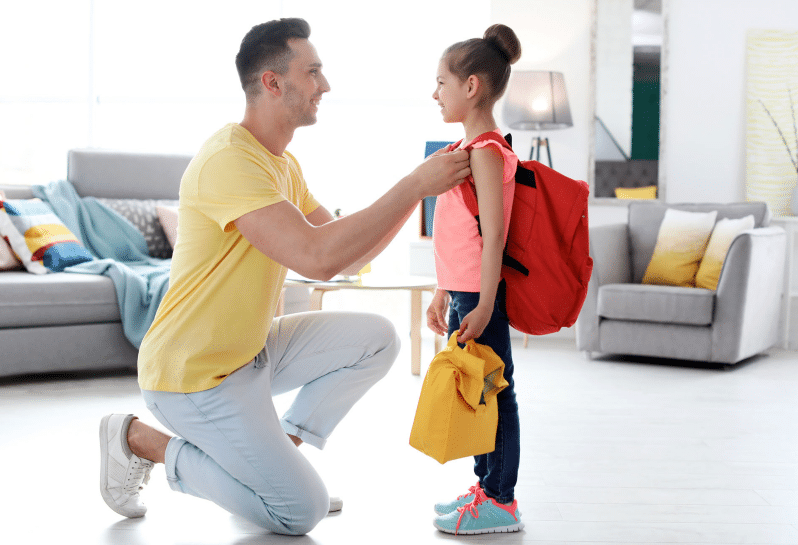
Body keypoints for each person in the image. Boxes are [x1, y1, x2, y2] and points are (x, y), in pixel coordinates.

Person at [98, 18, 471, 536]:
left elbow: (346, 258)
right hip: (191, 378)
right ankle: (138, 440)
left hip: (249, 354)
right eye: (313, 71)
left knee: (377, 338)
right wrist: (412, 186)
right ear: (273, 82)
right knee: (299, 513)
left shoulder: (282, 164)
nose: (325, 85)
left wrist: (419, 194)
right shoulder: (230, 159)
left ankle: (275, 464)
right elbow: (314, 258)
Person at [424, 24, 525, 535]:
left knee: (495, 391)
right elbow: (459, 233)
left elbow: (494, 236)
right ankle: (485, 489)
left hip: (480, 295)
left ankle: (502, 502)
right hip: (463, 292)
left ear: (472, 86)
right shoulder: (467, 149)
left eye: (442, 81)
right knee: (476, 391)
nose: (434, 92)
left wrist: (484, 303)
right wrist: (445, 290)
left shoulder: (486, 150)